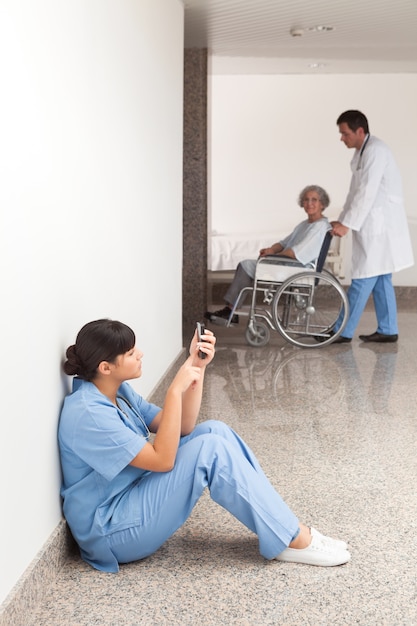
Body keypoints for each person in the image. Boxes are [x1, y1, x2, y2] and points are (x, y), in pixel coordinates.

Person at [58, 318, 350, 572]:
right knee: (210, 449)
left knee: (215, 431)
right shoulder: (89, 414)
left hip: (130, 498)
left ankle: (285, 528)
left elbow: (182, 427)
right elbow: (163, 460)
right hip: (112, 532)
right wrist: (174, 390)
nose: (141, 354)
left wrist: (196, 367)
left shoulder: (115, 390)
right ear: (106, 367)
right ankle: (291, 537)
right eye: (132, 353)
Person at [330, 110, 414, 344]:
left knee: (363, 278)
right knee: (381, 278)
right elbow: (354, 193)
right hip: (374, 224)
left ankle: (342, 331)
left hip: (381, 227)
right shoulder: (362, 152)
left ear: (359, 131)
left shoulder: (376, 151)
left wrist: (348, 224)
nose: (342, 138)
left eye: (344, 133)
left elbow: (367, 192)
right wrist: (343, 219)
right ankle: (388, 329)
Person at [205, 185, 331, 324]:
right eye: (306, 200)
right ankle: (231, 310)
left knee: (246, 265)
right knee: (248, 265)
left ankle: (231, 311)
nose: (309, 203)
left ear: (322, 204)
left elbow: (295, 252)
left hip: (297, 268)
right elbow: (284, 243)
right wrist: (271, 250)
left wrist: (273, 257)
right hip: (290, 265)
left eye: (314, 200)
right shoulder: (305, 224)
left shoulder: (319, 226)